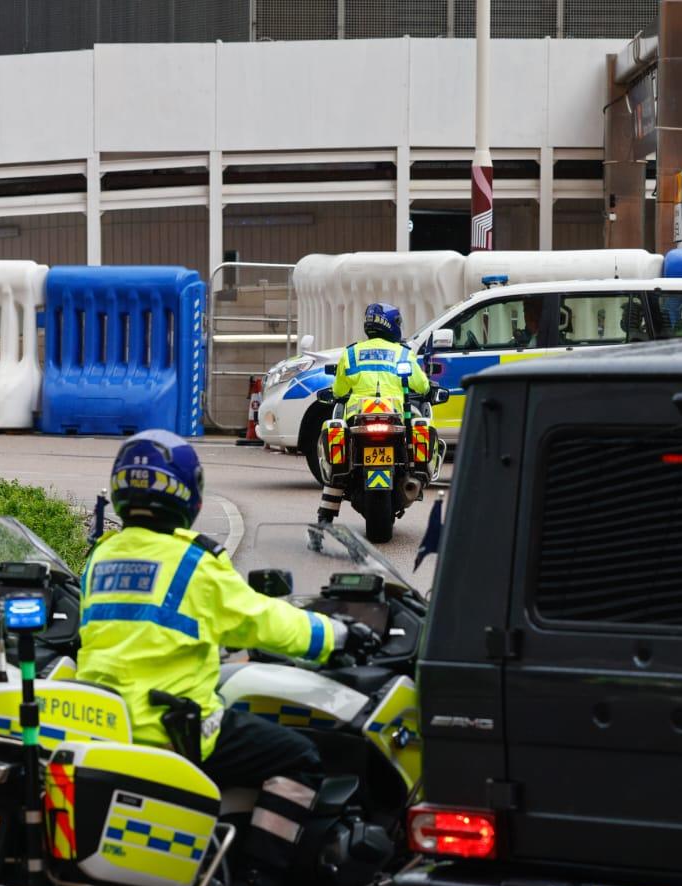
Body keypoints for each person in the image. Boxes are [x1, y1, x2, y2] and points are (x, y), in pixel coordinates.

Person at [76, 430, 376, 791]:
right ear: (189, 494)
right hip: (170, 728)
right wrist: (336, 634)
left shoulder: (101, 557)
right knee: (302, 757)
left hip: (103, 726)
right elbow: (261, 620)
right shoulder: (193, 562)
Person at [317, 301, 431, 526]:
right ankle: (418, 471)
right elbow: (422, 386)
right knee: (420, 426)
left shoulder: (351, 353)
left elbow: (339, 391)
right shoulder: (403, 353)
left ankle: (325, 516)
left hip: (357, 416)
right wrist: (427, 390)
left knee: (340, 465)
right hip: (395, 414)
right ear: (393, 325)